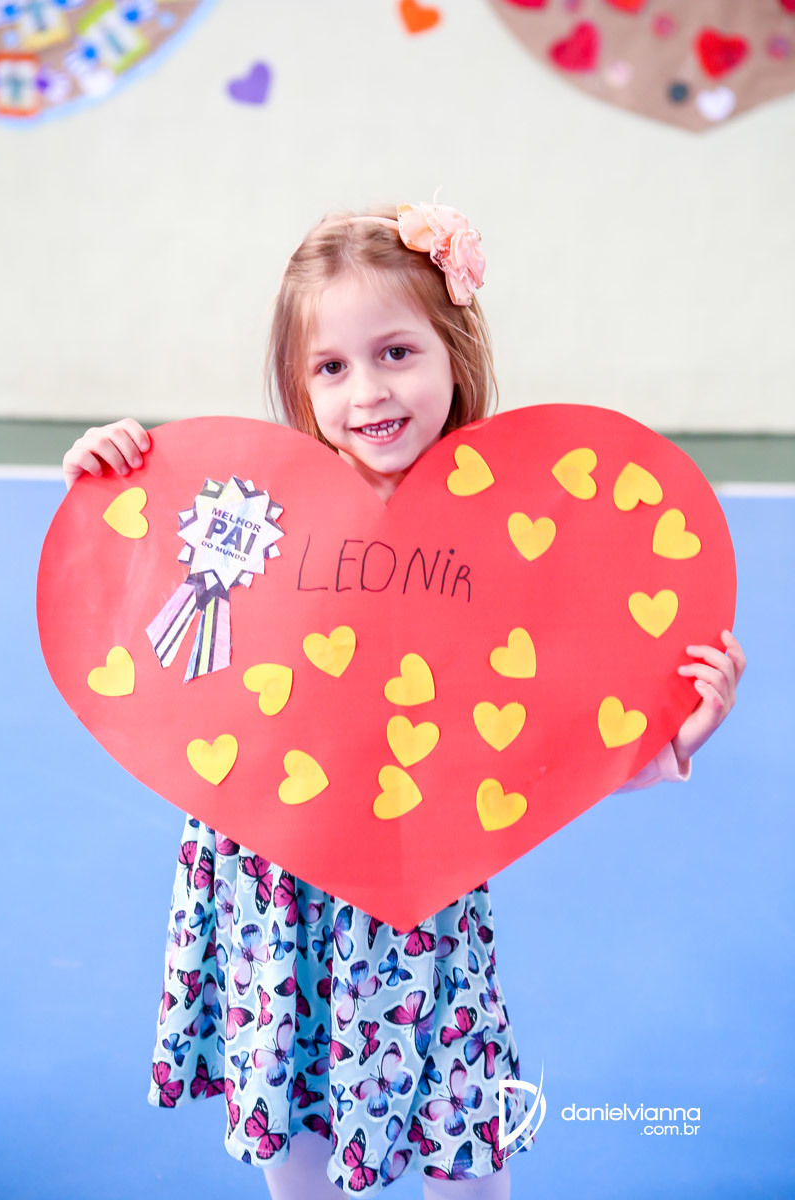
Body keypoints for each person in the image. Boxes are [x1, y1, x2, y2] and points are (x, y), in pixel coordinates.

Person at [62, 200, 745, 1198]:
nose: (368, 391)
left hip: (421, 886)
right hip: (273, 883)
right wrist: (115, 482)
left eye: (395, 353)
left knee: (461, 1130)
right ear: (298, 385)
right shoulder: (258, 510)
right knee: (293, 1117)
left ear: (454, 355)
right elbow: (155, 606)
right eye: (330, 367)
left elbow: (545, 733)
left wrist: (671, 739)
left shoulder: (506, 530)